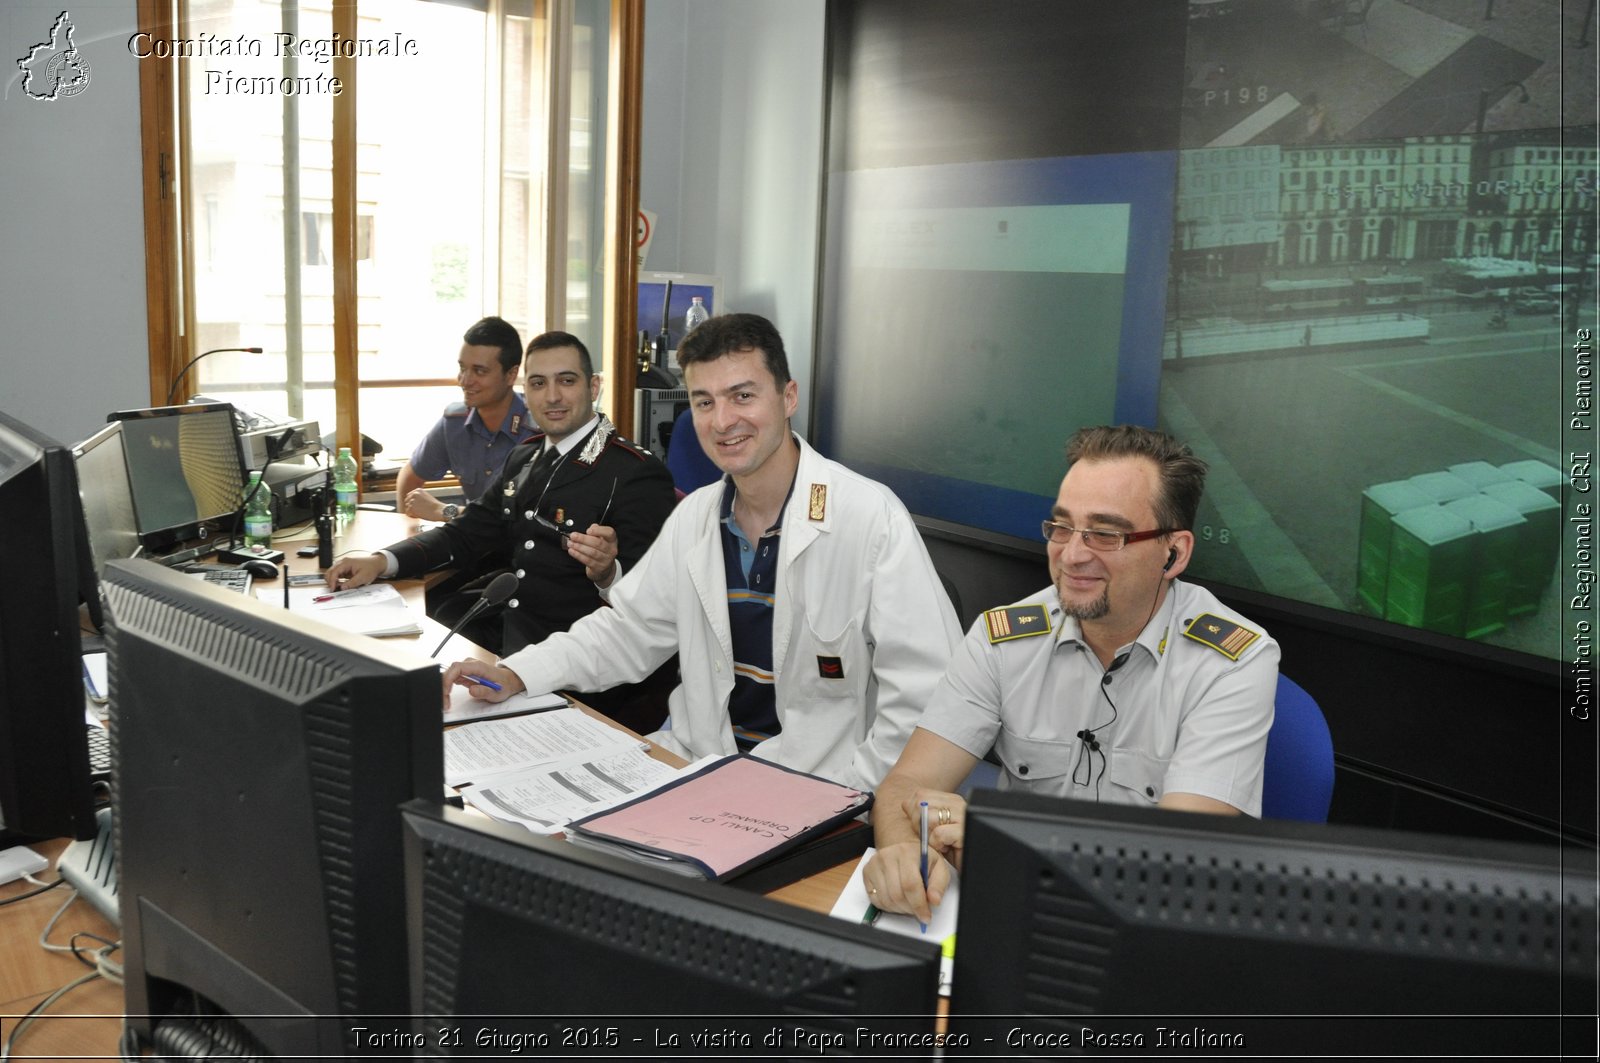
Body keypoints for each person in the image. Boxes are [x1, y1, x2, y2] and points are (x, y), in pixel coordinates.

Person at [443, 313, 962, 789]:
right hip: (698, 771)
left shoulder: (869, 518)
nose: (721, 421)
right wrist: (518, 673)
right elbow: (627, 632)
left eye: (742, 396)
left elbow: (928, 694)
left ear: (787, 397)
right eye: (703, 401)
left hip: (822, 790)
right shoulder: (695, 517)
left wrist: (863, 791)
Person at [864, 425, 1279, 923]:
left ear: (1174, 552)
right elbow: (905, 785)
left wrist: (1005, 846)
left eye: (1105, 533)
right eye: (1062, 527)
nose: (1073, 554)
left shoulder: (1232, 661)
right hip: (1016, 915)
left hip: (1145, 934)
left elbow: (1176, 861)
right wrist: (902, 857)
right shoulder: (1002, 639)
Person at [326, 331, 678, 732]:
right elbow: (467, 533)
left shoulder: (633, 471)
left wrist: (607, 572)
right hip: (509, 650)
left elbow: (653, 605)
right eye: (538, 383)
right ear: (524, 390)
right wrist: (382, 561)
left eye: (567, 381)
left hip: (583, 675)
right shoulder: (526, 456)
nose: (552, 397)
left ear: (593, 386)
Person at [396, 316, 538, 522]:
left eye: (479, 371)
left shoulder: (539, 431)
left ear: (511, 375)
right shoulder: (454, 423)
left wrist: (442, 511)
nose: (465, 380)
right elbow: (409, 477)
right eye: (463, 368)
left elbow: (517, 519)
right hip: (470, 547)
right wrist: (407, 534)